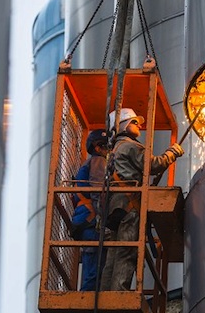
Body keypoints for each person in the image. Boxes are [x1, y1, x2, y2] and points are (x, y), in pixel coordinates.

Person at [100, 108, 184, 291]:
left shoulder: (113, 150)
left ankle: (106, 293)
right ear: (122, 126)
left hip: (115, 207)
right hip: (130, 205)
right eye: (134, 122)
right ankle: (118, 294)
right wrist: (173, 152)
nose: (139, 124)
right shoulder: (131, 146)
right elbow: (154, 165)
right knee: (127, 250)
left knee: (112, 255)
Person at [71, 129, 108, 290]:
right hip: (92, 221)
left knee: (94, 267)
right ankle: (86, 303)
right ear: (97, 148)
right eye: (106, 146)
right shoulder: (98, 161)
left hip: (87, 220)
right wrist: (102, 216)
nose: (109, 150)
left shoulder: (90, 163)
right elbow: (98, 191)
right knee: (94, 270)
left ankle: (87, 300)